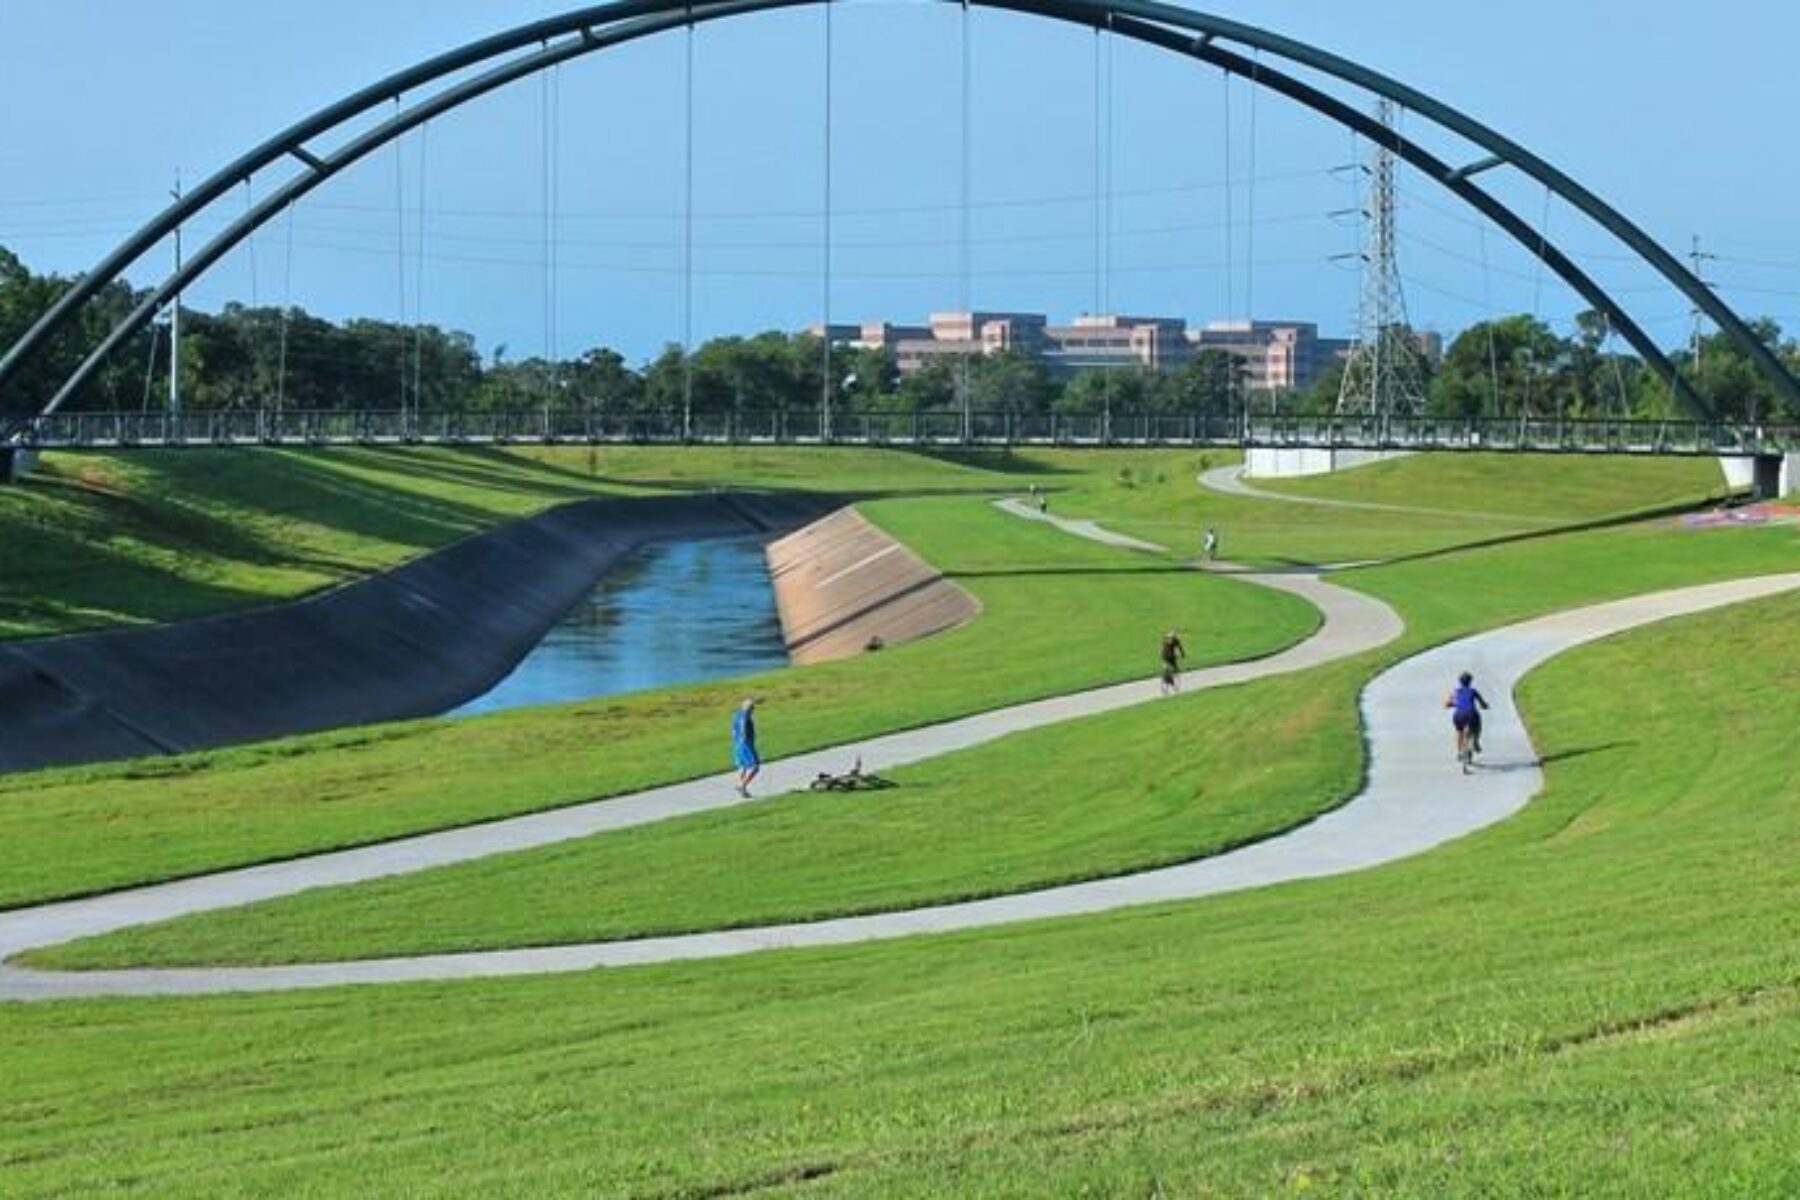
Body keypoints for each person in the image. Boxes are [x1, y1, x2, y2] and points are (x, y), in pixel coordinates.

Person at [1444, 671, 1490, 773]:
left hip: (1459, 715)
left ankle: (1460, 752)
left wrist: (1455, 704)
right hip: (1471, 714)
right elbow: (1483, 704)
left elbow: (1446, 704)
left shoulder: (1455, 692)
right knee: (1478, 726)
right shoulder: (1473, 691)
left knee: (1459, 732)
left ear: (1459, 681)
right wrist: (1485, 706)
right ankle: (1476, 741)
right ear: (1470, 682)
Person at [732, 697, 761, 797]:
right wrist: (745, 737)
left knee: (742, 766)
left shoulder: (736, 714)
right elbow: (742, 724)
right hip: (745, 744)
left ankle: (741, 788)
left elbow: (733, 731)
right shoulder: (744, 715)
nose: (753, 710)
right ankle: (742, 785)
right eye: (751, 708)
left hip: (737, 744)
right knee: (755, 767)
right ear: (747, 707)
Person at [1159, 629, 1187, 695]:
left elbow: (1180, 647)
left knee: (1175, 670)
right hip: (1165, 657)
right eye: (1169, 639)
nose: (1170, 640)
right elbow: (1163, 652)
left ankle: (1172, 683)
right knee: (1166, 670)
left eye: (1171, 639)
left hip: (1172, 658)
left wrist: (1182, 654)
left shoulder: (1176, 640)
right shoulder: (1165, 642)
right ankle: (1167, 684)